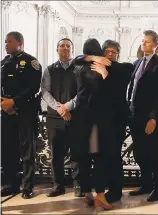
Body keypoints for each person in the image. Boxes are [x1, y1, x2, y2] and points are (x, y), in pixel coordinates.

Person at [75, 39, 133, 203]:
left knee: (114, 157)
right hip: (102, 121)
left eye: (113, 52)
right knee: (102, 157)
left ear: (117, 54)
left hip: (117, 121)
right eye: (106, 51)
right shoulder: (94, 66)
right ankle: (102, 191)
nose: (109, 54)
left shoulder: (124, 68)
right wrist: (93, 59)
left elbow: (115, 93)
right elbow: (77, 59)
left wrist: (105, 73)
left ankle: (115, 191)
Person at [127, 30, 158, 202]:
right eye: (142, 41)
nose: (143, 44)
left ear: (155, 44)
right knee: (139, 152)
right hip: (134, 114)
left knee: (154, 153)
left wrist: (153, 117)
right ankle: (145, 184)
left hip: (149, 117)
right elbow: (131, 87)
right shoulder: (137, 63)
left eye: (147, 42)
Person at [1, 31, 42, 199]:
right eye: (5, 41)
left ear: (20, 42)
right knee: (8, 150)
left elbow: (33, 88)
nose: (6, 44)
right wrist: (4, 103)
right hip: (6, 113)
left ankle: (27, 187)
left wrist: (14, 102)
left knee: (27, 151)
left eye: (9, 41)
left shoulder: (31, 62)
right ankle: (11, 184)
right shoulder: (4, 63)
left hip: (25, 113)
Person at [41, 38, 82, 197]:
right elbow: (45, 91)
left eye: (68, 46)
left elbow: (82, 92)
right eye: (62, 46)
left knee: (77, 152)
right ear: (57, 49)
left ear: (72, 50)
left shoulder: (79, 69)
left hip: (75, 116)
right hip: (55, 118)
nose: (65, 49)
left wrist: (68, 106)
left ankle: (78, 184)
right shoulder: (50, 69)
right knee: (56, 153)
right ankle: (58, 185)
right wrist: (60, 108)